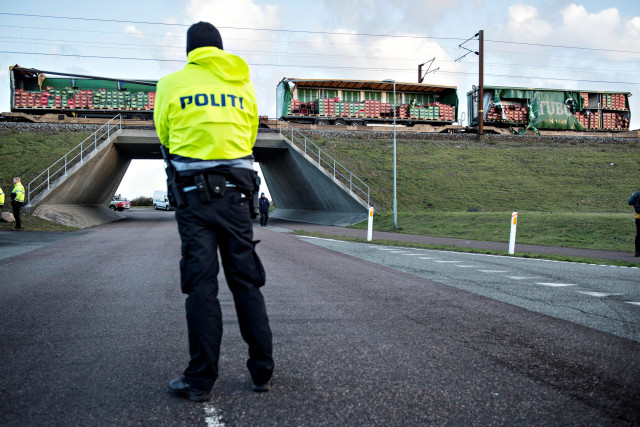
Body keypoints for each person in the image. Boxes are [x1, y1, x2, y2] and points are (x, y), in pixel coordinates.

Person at [154, 21, 274, 402]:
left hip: (193, 198)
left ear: (190, 51)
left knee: (201, 286)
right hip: (238, 196)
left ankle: (200, 380)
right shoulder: (243, 84)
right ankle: (262, 372)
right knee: (246, 281)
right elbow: (250, 135)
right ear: (220, 49)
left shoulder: (171, 83)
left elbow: (165, 135)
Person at [628, 188, 640, 257]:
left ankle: (637, 251)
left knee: (638, 234)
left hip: (638, 217)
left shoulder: (636, 194)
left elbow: (629, 202)